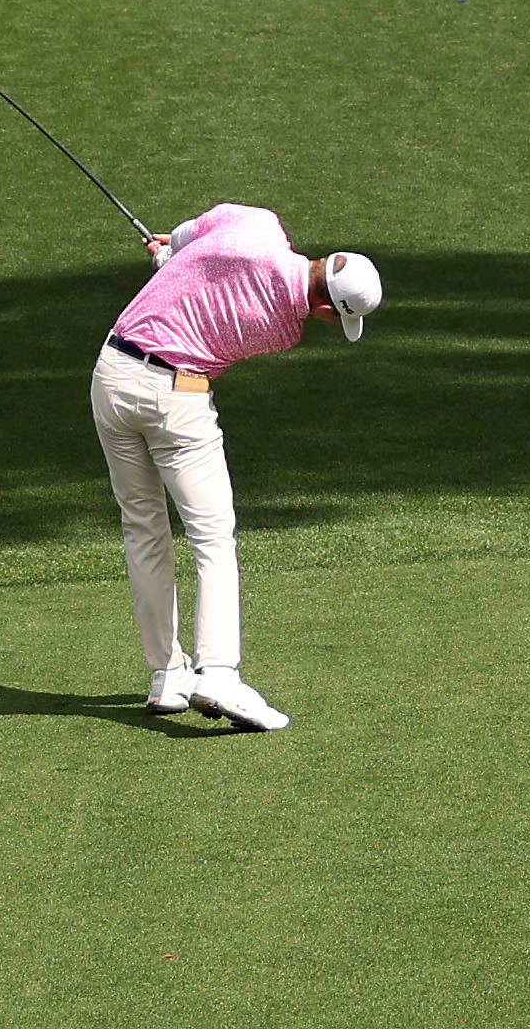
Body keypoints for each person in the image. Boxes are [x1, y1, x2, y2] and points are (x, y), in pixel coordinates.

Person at [90, 202, 381, 736]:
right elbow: (207, 302)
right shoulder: (281, 328)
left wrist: (169, 253)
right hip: (174, 399)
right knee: (212, 535)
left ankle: (167, 676)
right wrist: (174, 265)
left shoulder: (258, 224)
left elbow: (192, 238)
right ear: (324, 309)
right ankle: (218, 673)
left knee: (143, 530)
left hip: (109, 375)